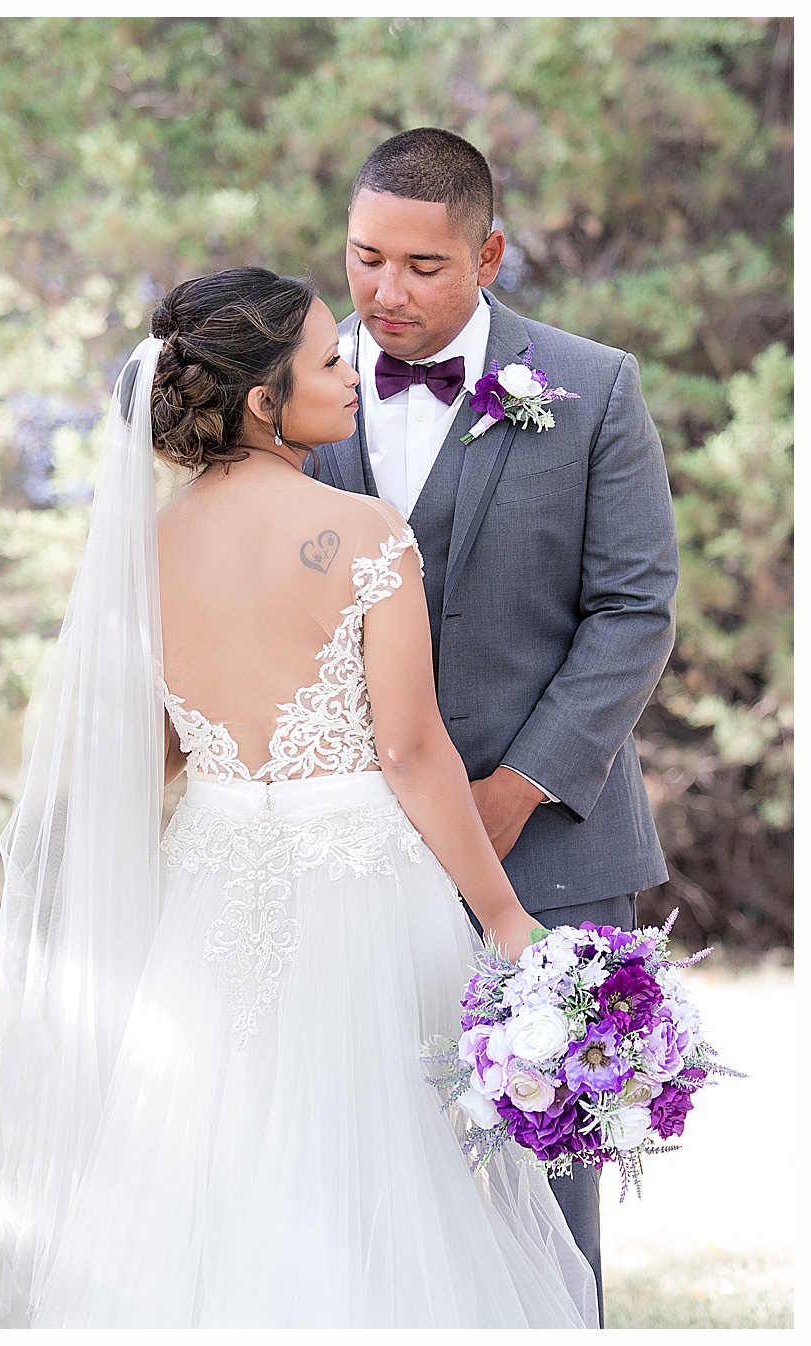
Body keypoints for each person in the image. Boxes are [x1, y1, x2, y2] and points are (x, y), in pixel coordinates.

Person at [0, 266, 600, 1327]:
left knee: (210, 1154)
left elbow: (153, 750)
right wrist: (501, 913)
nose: (353, 373)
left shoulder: (148, 545)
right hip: (356, 889)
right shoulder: (363, 532)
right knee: (372, 1167)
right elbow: (410, 746)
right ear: (263, 400)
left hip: (208, 883)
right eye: (329, 361)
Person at [319, 128, 678, 1322]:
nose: (385, 293)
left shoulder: (595, 387)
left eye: (423, 266)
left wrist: (513, 789)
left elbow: (634, 612)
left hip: (554, 853)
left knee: (546, 1195)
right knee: (356, 1171)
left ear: (491, 254)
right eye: (367, 258)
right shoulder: (295, 390)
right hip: (346, 853)